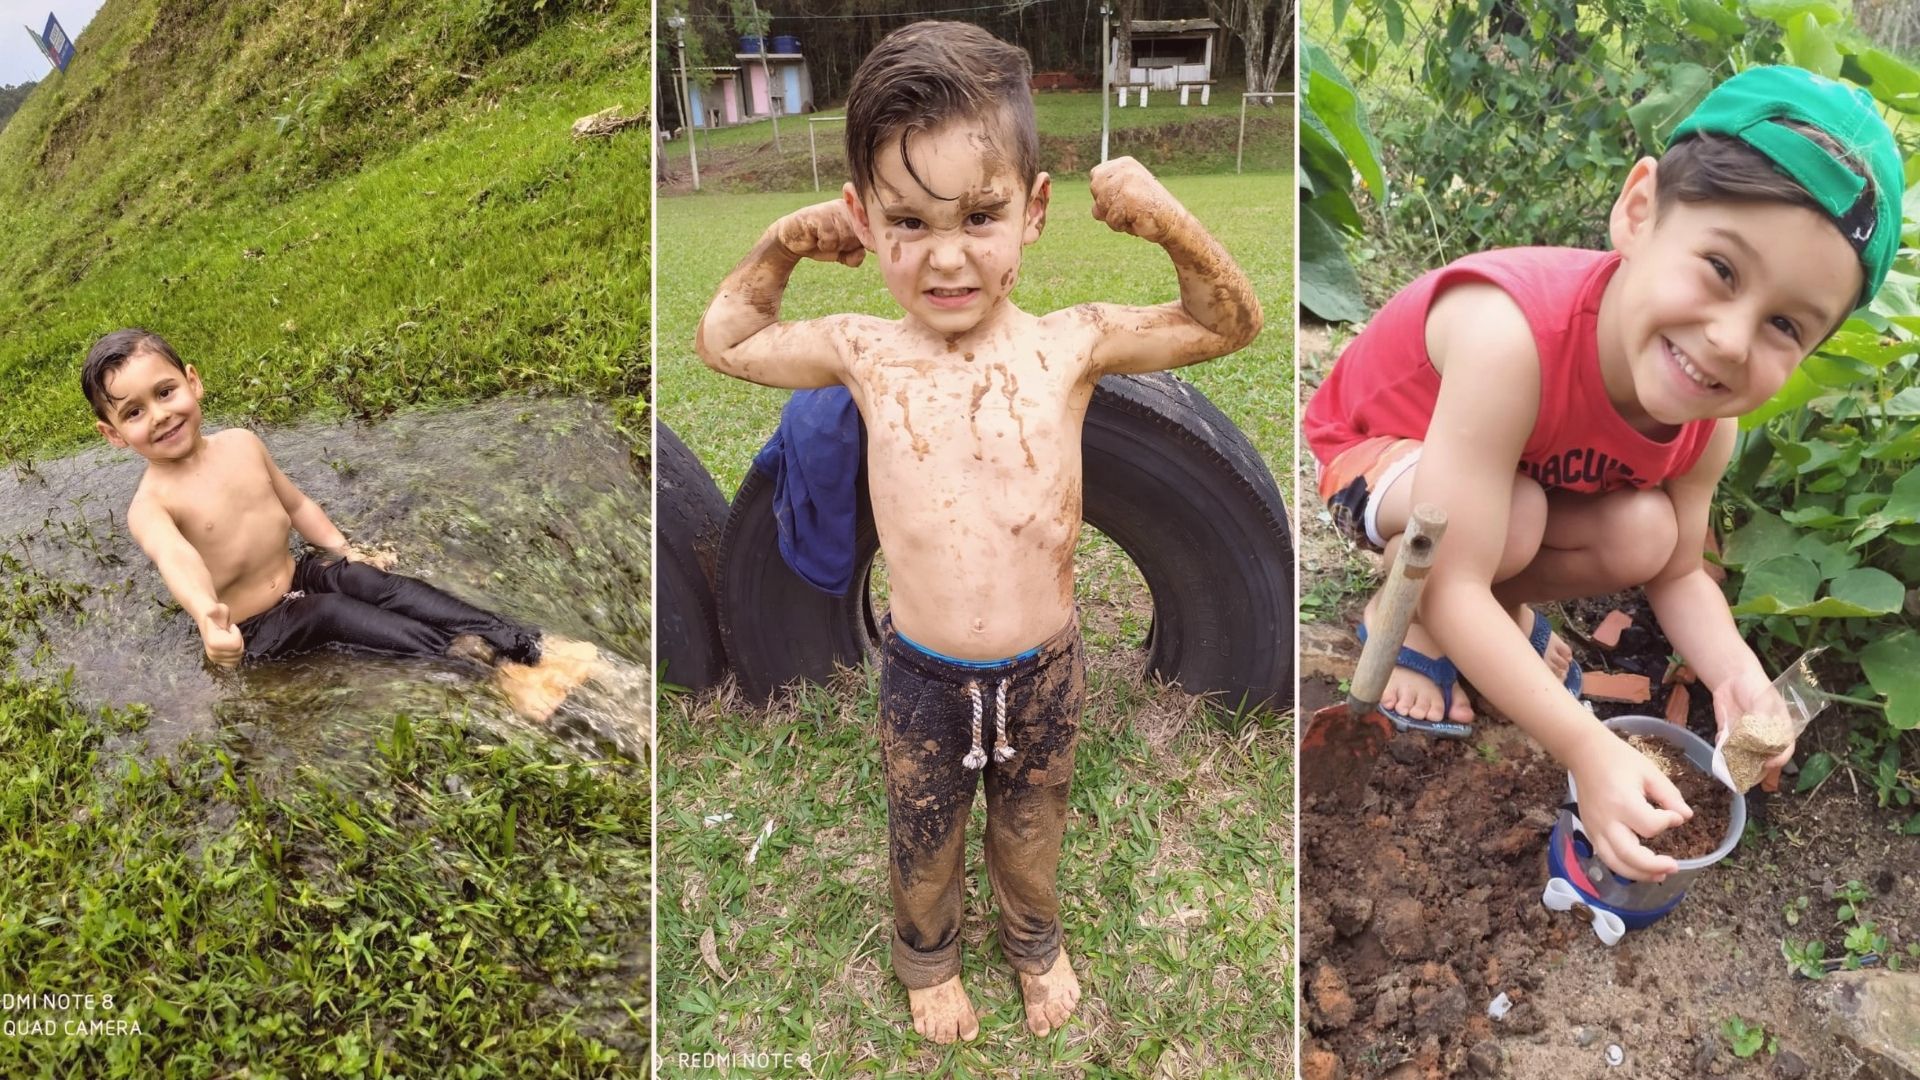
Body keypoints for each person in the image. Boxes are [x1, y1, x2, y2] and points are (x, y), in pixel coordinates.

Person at [695, 21, 1262, 1044]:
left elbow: (1227, 323)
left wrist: (1169, 221)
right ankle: (928, 958)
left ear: (1033, 213)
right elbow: (723, 340)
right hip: (921, 674)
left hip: (1047, 668)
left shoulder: (1071, 345)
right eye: (908, 223)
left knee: (1034, 823)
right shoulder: (863, 349)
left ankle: (1035, 941)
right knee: (923, 832)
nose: (946, 256)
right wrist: (782, 242)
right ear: (863, 223)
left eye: (980, 215)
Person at [1304, 66, 1901, 882]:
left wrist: (1736, 676)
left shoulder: (1708, 425)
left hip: (1504, 484)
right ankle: (1408, 619)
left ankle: (1494, 611)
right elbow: (1452, 565)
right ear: (1640, 211)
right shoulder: (1510, 336)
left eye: (1785, 324)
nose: (1729, 338)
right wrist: (1585, 745)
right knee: (1500, 525)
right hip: (1379, 457)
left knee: (1651, 533)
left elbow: (1682, 570)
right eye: (1721, 269)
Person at [83, 328, 599, 719]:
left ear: (192, 382)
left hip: (296, 576)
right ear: (113, 434)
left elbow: (296, 504)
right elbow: (178, 560)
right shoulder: (151, 505)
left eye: (166, 392)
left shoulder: (241, 444)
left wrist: (343, 550)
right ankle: (498, 675)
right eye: (133, 413)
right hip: (257, 626)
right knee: (330, 612)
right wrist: (207, 618)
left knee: (370, 582)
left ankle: (524, 643)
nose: (159, 415)